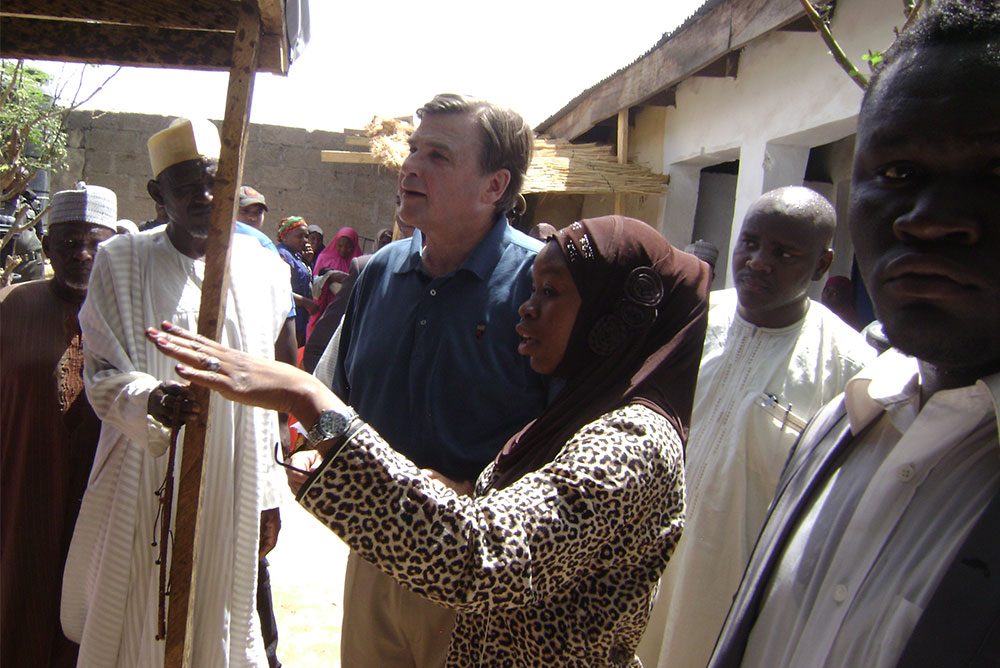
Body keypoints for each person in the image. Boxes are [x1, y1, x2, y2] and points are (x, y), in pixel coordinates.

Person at [149, 214, 710, 666]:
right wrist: (457, 490)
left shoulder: (631, 443)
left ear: (612, 318)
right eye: (532, 288)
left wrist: (308, 399)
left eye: (551, 292)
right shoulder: (578, 415)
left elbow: (479, 557)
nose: (527, 306)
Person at [709, 3, 1000, 665]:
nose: (928, 219)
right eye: (896, 174)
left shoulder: (838, 366)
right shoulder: (851, 416)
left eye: (994, 172)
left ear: (822, 265)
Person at [320, 93, 552, 666]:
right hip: (374, 553)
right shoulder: (379, 271)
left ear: (495, 185)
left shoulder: (541, 283)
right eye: (413, 150)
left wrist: (476, 496)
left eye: (438, 156)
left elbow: (568, 437)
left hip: (478, 574)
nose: (409, 167)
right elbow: (334, 396)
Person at [61, 118, 295, 667]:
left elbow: (268, 388)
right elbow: (100, 372)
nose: (205, 197)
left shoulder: (264, 268)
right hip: (145, 470)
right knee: (140, 611)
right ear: (157, 194)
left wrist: (269, 492)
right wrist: (149, 398)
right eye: (187, 186)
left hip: (233, 472)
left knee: (220, 606)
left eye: (215, 182)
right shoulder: (123, 261)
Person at [646, 186, 874, 668]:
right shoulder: (687, 320)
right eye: (750, 243)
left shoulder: (850, 370)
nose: (758, 262)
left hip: (729, 597)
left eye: (784, 253)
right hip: (637, 571)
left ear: (822, 264)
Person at [1, 183, 116, 668]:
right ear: (47, 247)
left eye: (95, 244)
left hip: (100, 500)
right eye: (68, 243)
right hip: (20, 495)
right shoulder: (11, 307)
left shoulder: (131, 317)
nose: (82, 255)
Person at [308, 226, 361, 338]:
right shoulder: (324, 257)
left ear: (354, 246)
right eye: (340, 245)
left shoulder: (358, 263)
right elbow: (315, 283)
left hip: (344, 309)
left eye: (348, 247)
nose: (343, 249)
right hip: (323, 305)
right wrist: (331, 277)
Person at [276, 215, 318, 346]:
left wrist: (308, 261)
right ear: (284, 236)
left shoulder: (297, 255)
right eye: (300, 236)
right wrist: (306, 303)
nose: (305, 240)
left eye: (306, 236)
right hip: (286, 319)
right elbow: (278, 290)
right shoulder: (282, 255)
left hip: (299, 319)